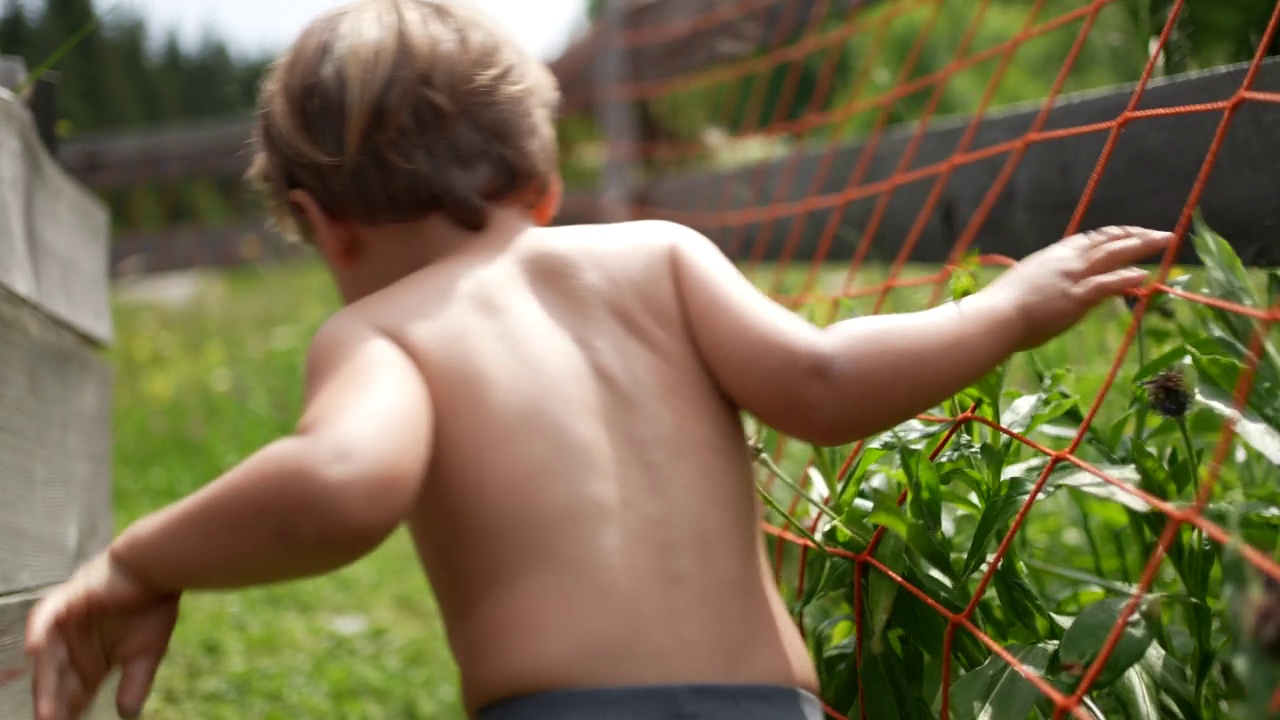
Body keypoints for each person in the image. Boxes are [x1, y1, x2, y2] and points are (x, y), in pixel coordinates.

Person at [20, 1, 1174, 718]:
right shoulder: (660, 253)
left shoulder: (381, 330)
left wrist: (139, 560)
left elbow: (340, 484)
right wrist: (1013, 308)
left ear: (325, 223)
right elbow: (824, 385)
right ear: (543, 179)